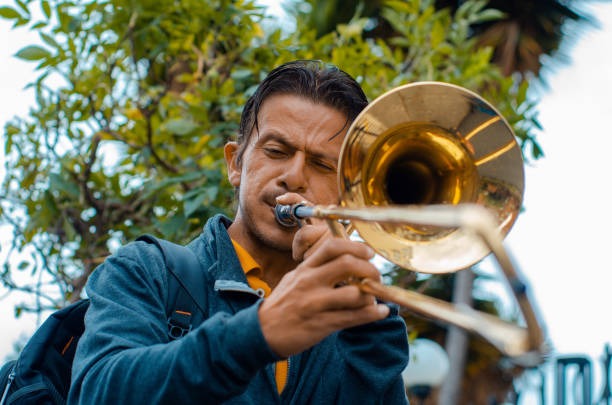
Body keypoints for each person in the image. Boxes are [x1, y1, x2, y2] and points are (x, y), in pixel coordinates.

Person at [68, 60, 409, 404]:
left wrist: (373, 326)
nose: (294, 176)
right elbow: (97, 391)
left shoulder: (354, 319)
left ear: (348, 193)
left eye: (322, 165)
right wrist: (258, 334)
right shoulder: (145, 270)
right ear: (235, 163)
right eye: (276, 151)